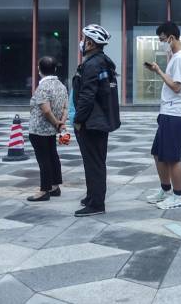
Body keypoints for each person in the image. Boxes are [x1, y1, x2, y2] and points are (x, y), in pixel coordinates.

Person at [145, 21, 181, 210]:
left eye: (162, 40)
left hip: (175, 112)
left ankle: (179, 196)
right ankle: (165, 190)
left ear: (171, 38)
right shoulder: (176, 56)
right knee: (158, 153)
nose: (161, 43)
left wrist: (158, 71)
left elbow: (176, 86)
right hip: (168, 111)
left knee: (172, 157)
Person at [73, 24, 121, 217]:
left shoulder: (92, 64)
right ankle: (92, 196)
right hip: (101, 121)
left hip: (92, 123)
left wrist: (78, 120)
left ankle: (96, 204)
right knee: (96, 161)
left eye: (85, 40)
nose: (82, 43)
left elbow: (87, 96)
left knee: (94, 163)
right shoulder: (103, 61)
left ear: (91, 43)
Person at [27, 56, 68, 202]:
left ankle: (44, 190)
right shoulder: (61, 86)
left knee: (43, 159)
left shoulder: (43, 87)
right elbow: (65, 107)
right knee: (53, 156)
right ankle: (55, 186)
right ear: (55, 69)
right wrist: (60, 123)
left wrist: (56, 122)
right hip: (52, 130)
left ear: (39, 70)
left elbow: (45, 110)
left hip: (39, 130)